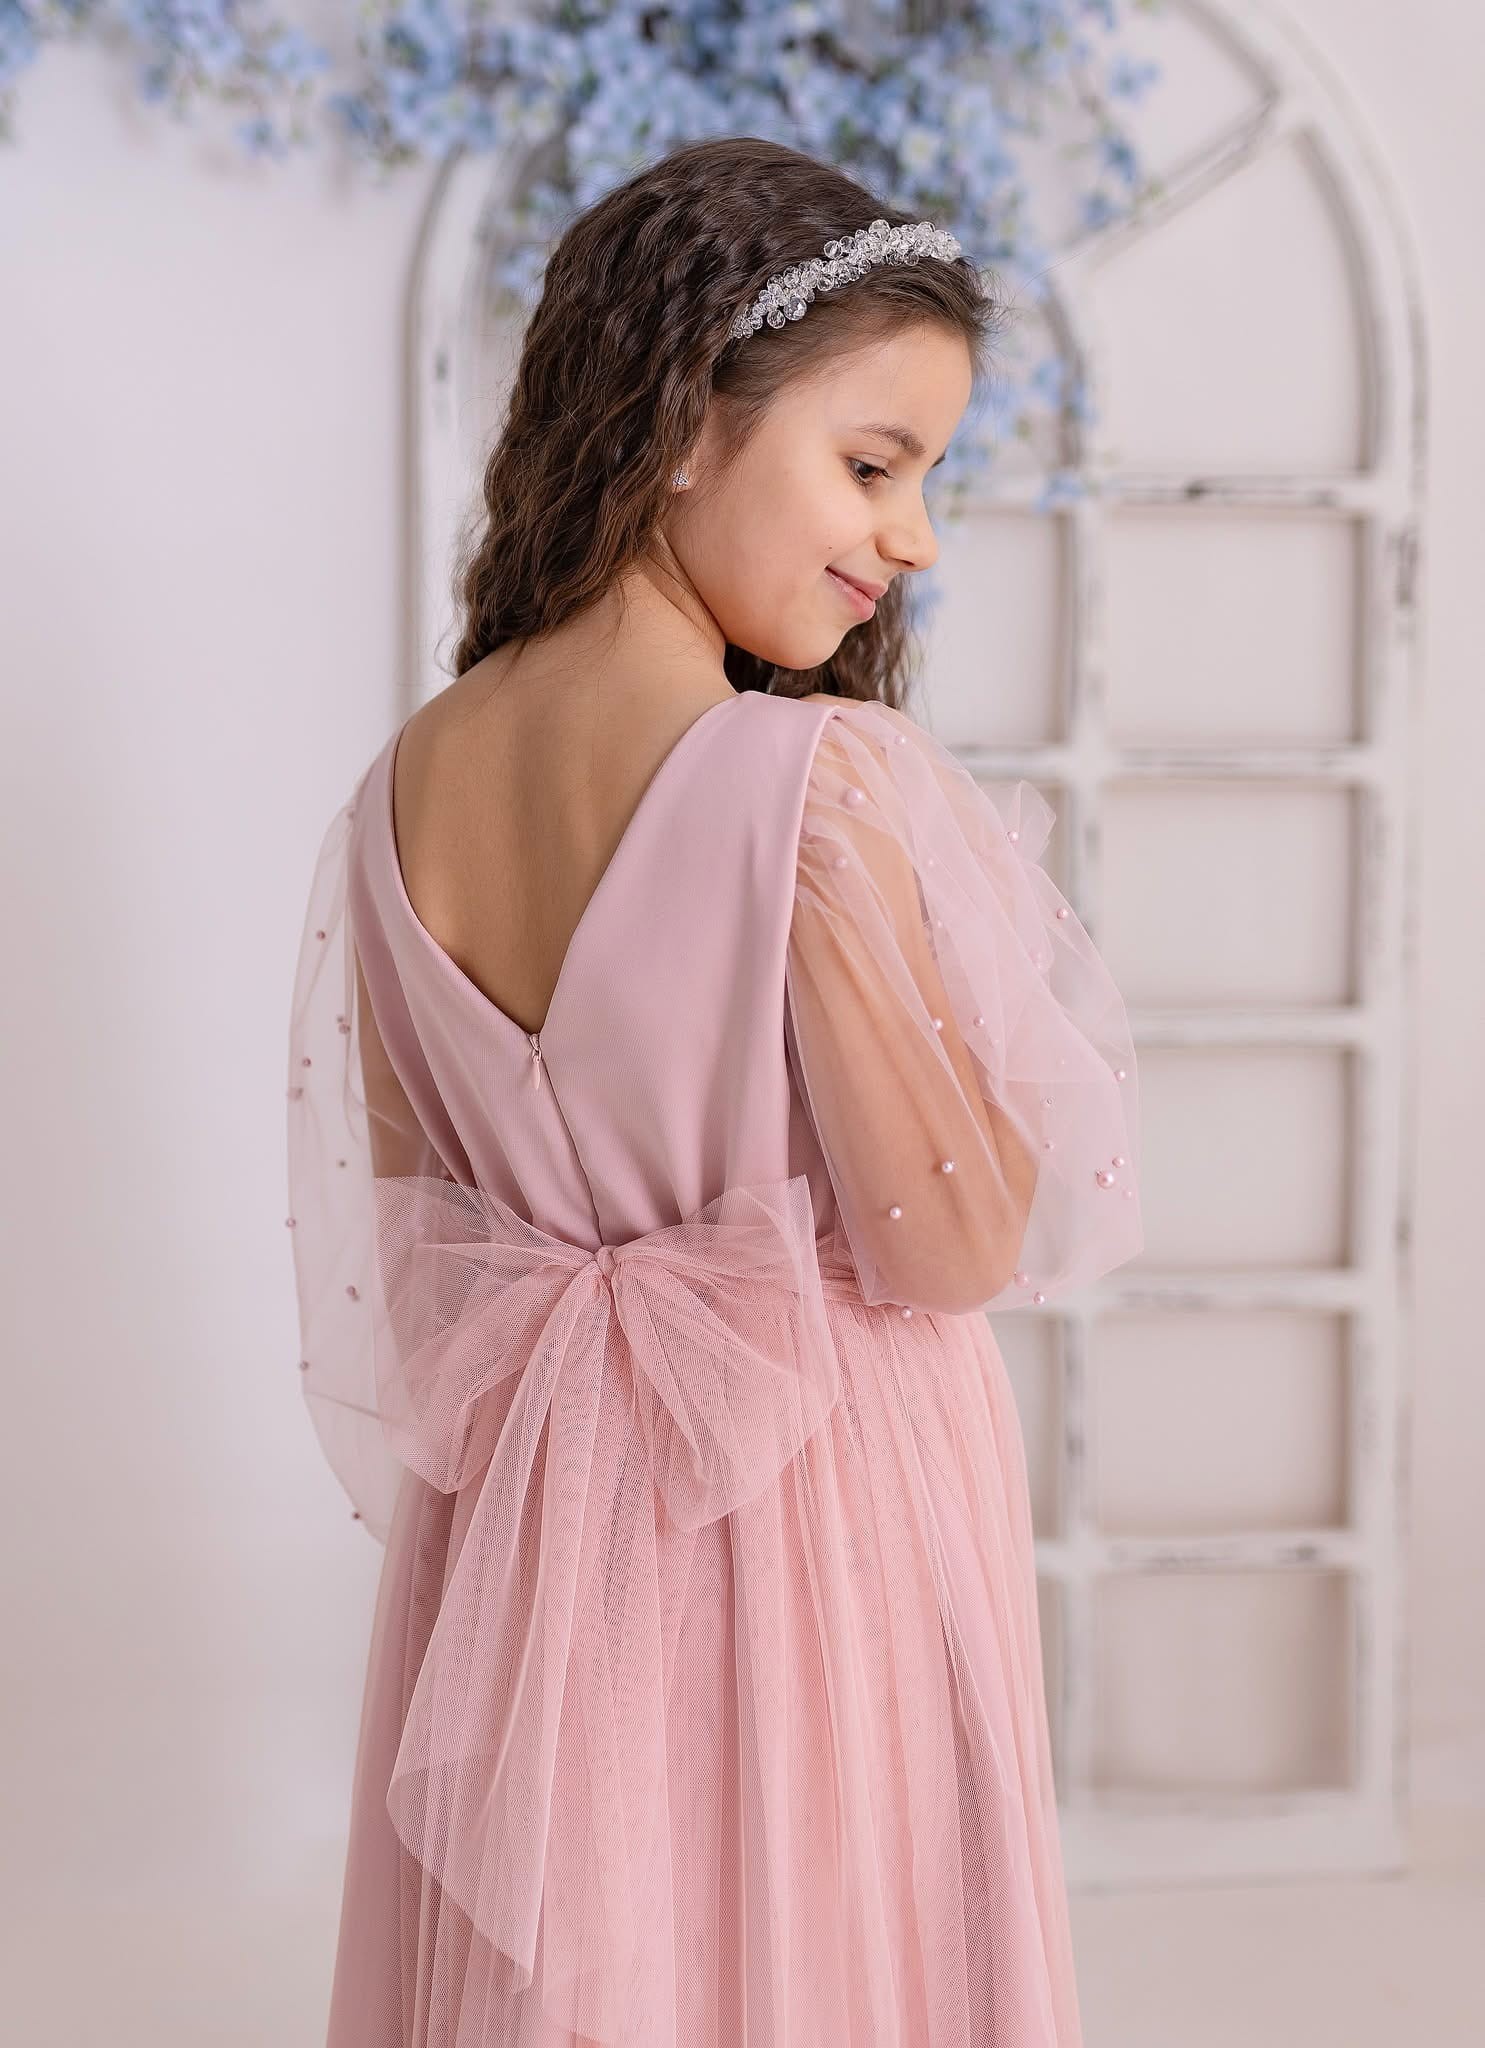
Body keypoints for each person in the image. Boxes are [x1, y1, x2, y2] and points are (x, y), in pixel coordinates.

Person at [286, 134, 1142, 2048]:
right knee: (819, 1958)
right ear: (682, 423)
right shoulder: (811, 787)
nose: (913, 538)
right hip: (812, 1513)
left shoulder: (399, 792)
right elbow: (953, 1247)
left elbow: (430, 1261)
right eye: (873, 465)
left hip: (533, 1539)